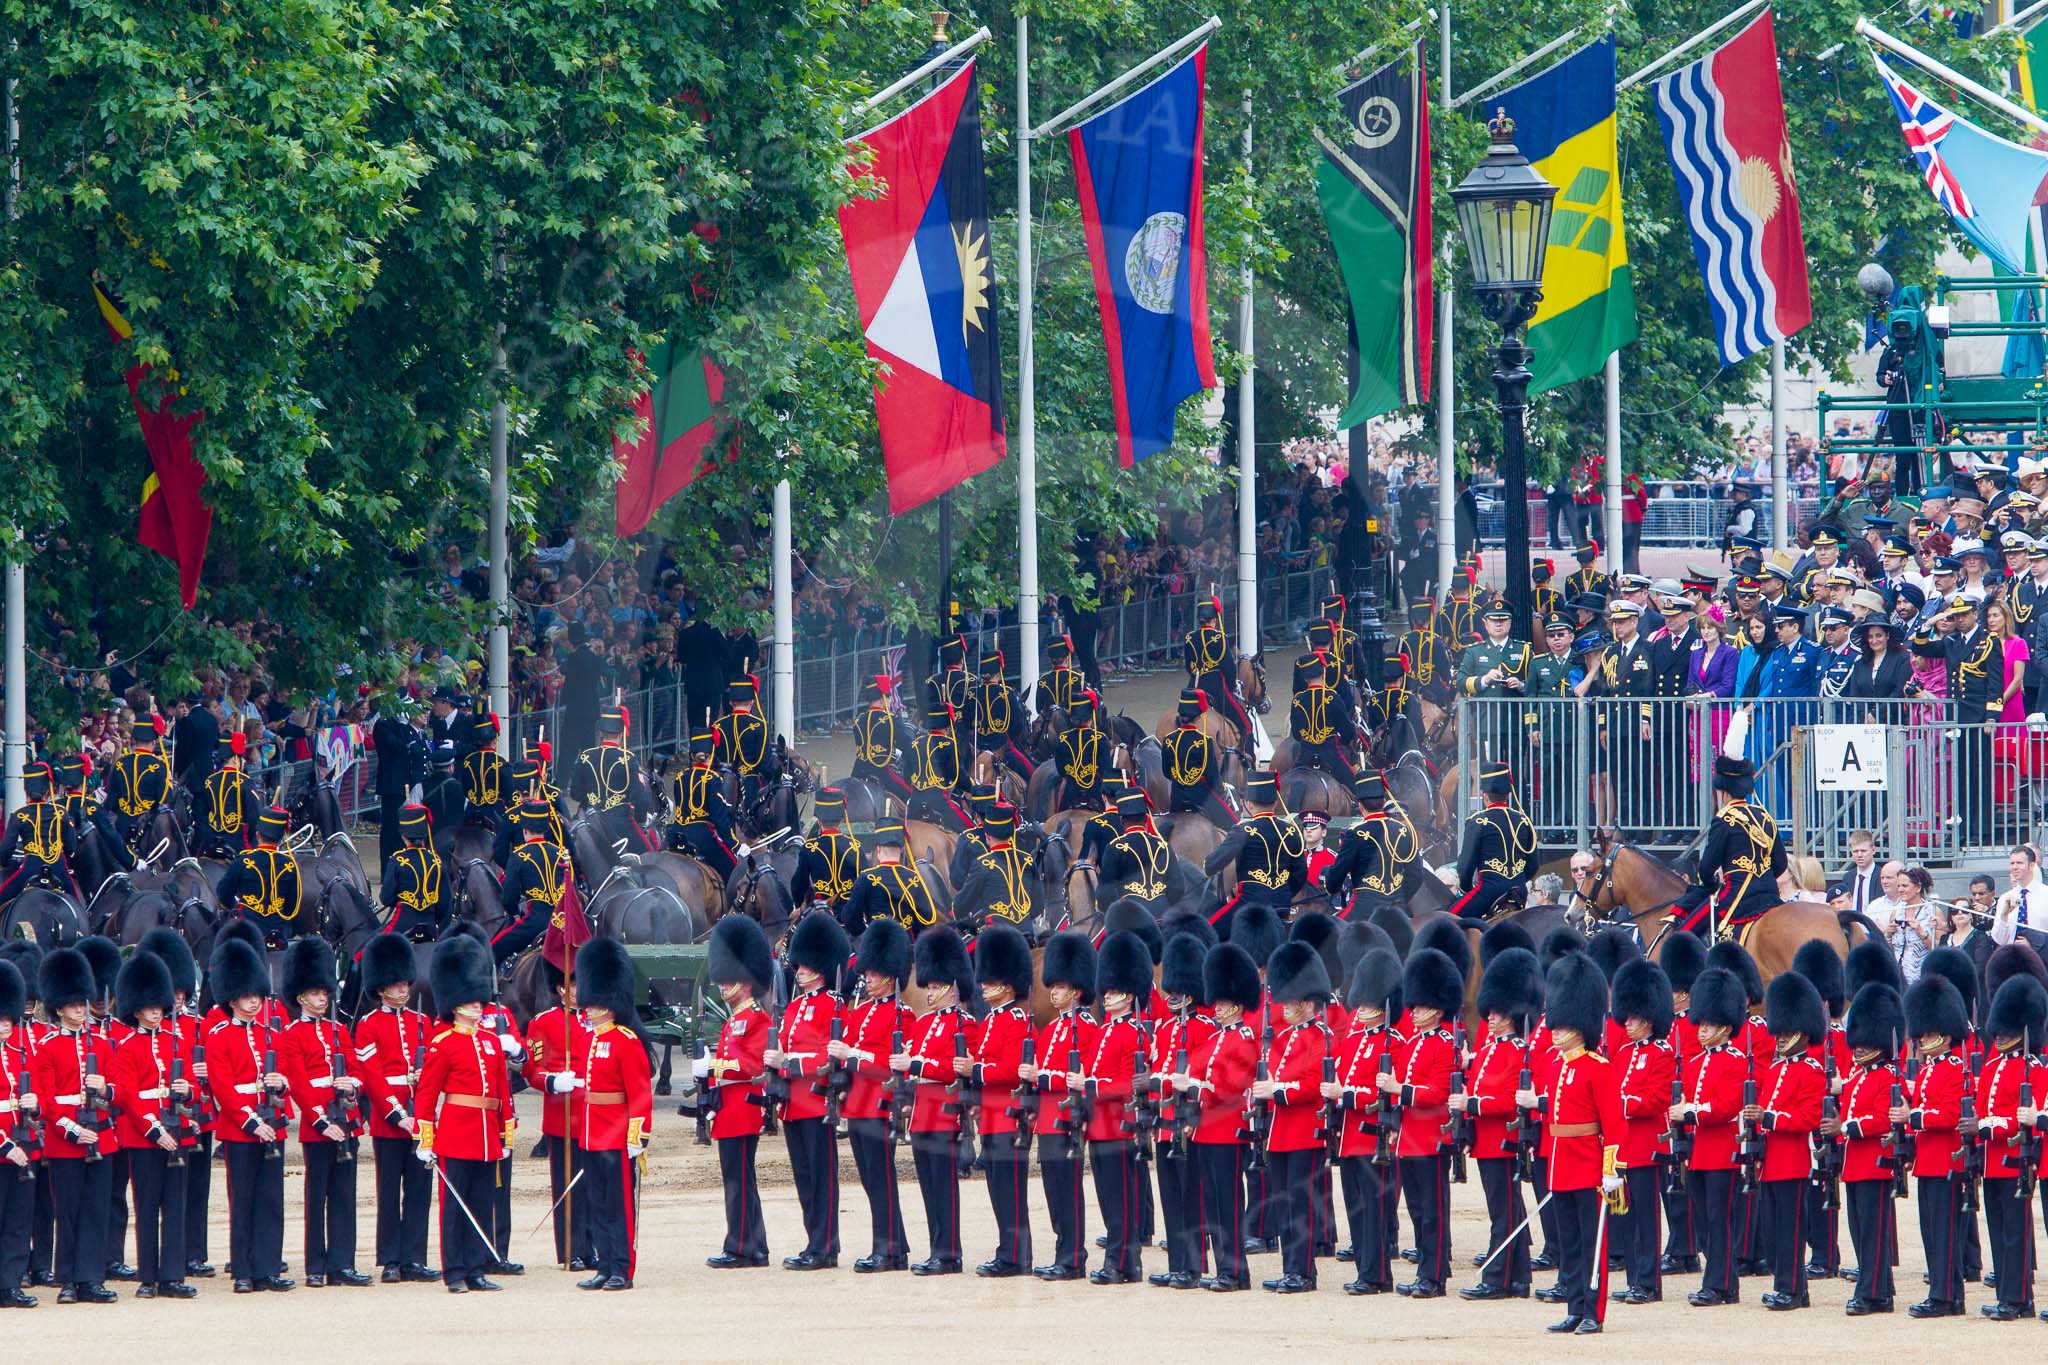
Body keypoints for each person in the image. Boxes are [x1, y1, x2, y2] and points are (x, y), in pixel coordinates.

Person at [413, 934, 510, 1295]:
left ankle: (476, 1268)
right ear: (455, 1004)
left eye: (478, 999)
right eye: (469, 1000)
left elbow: (501, 1093)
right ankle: (454, 1271)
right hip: (456, 1131)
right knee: (454, 1208)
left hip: (486, 1134)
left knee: (482, 1204)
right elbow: (427, 1094)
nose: (476, 1005)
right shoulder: (443, 1043)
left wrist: (505, 1133)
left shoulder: (489, 1041)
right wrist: (425, 1138)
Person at [1532, 954, 1624, 1335]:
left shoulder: (1598, 1067)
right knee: (1569, 1243)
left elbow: (1614, 1125)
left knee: (1592, 1244)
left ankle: (1593, 1310)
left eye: (1563, 1025)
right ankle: (1573, 1305)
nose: (1555, 1031)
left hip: (1588, 1167)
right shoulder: (1556, 1065)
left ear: (1581, 1026)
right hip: (1560, 1164)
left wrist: (1611, 1171)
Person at [563, 937, 654, 1291]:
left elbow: (640, 1093)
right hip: (591, 1133)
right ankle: (604, 1264)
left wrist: (637, 1135)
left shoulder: (626, 1041)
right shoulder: (588, 1040)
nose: (586, 1007)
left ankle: (622, 1267)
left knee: (619, 1206)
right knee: (597, 1204)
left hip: (616, 1135)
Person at [203, 935, 292, 1295]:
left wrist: (281, 1083)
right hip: (240, 1130)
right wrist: (252, 1122)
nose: (254, 1002)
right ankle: (243, 1267)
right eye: (247, 996)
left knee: (271, 1200)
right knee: (244, 1199)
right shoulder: (219, 1036)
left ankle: (268, 1266)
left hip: (273, 1123)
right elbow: (224, 1089)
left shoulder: (272, 1034)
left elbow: (283, 1073)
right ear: (233, 999)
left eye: (257, 995)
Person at [277, 940, 368, 1288]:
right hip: (319, 1127)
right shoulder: (292, 1035)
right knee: (317, 1198)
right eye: (315, 993)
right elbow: (299, 1084)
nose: (322, 999)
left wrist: (352, 1086)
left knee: (345, 1197)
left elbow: (357, 1067)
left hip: (347, 1120)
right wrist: (320, 1121)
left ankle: (342, 1264)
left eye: (324, 993)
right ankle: (316, 1265)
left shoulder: (339, 1030)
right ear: (300, 997)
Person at [108, 950, 194, 1301]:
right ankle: (148, 1276)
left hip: (178, 1131)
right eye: (149, 1007)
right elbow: (129, 1096)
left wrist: (187, 1090)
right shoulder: (127, 1047)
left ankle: (172, 1274)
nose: (156, 1011)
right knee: (147, 1206)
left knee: (175, 1206)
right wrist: (155, 1130)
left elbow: (190, 1084)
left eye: (158, 1005)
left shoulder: (178, 1042)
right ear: (136, 1008)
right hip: (145, 1138)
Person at [1457, 947, 1542, 1302]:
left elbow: (1509, 1101)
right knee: (1507, 1208)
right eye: (1489, 1012)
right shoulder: (1491, 1049)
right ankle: (1519, 1276)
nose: (1490, 1018)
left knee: (1503, 1212)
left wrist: (1472, 1104)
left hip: (1503, 1143)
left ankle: (1498, 1278)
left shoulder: (1516, 1051)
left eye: (1497, 1013)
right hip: (1485, 1141)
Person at [830, 917, 912, 1273]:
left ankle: (889, 1248)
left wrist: (853, 1056)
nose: (868, 978)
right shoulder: (859, 1011)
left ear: (891, 976)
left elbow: (891, 1066)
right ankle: (894, 1244)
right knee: (869, 1179)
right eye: (867, 973)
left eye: (875, 974)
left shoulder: (902, 1016)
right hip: (858, 1107)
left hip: (880, 1107)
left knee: (881, 1178)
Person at [892, 928, 974, 1277]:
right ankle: (936, 1247)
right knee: (927, 1186)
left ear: (951, 986)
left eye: (934, 986)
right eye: (926, 986)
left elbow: (952, 1070)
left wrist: (916, 1065)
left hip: (945, 1114)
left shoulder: (965, 1024)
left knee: (944, 1186)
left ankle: (949, 1252)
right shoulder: (923, 1025)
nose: (928, 992)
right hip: (922, 1114)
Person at [768, 914, 847, 1271]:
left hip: (816, 1101)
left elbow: (827, 1057)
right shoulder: (796, 1007)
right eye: (798, 964)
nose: (798, 970)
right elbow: (786, 1047)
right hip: (792, 1105)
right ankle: (813, 1241)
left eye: (805, 965)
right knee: (803, 1178)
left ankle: (825, 1245)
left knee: (821, 1178)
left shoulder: (834, 1005)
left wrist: (789, 1062)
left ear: (820, 967)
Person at [354, 934, 435, 1283]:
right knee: (389, 1190)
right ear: (381, 987)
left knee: (419, 1191)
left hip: (421, 1115)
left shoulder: (423, 1023)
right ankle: (389, 1257)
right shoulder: (369, 1025)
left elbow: (435, 1065)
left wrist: (424, 1077)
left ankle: (414, 1257)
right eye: (396, 985)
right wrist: (398, 1115)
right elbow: (372, 1077)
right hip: (390, 1121)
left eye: (405, 984)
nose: (403, 991)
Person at [1669, 964, 1747, 1306]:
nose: (1702, 1031)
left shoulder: (1735, 1060)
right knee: (1703, 1220)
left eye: (1710, 1025)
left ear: (1726, 1027)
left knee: (1720, 1220)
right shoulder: (1697, 1062)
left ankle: (1719, 1284)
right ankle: (1722, 1283)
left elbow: (1726, 1107)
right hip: (1700, 1152)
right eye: (1701, 1024)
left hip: (1724, 1153)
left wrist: (1690, 1112)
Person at [1384, 947, 1460, 1298]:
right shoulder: (1414, 1042)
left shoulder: (1445, 1044)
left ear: (1437, 1008)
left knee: (1433, 1210)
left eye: (1420, 1006)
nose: (1413, 1011)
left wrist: (1400, 1089)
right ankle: (1429, 1267)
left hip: (1431, 1137)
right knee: (1416, 1208)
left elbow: (1437, 1094)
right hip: (1409, 1137)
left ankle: (1434, 1276)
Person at [1895, 973, 1970, 1317]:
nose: (1923, 1037)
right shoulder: (1927, 1070)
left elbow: (1949, 1114)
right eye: (1922, 1032)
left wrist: (1913, 1117)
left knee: (1943, 1232)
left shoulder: (1955, 1068)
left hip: (1947, 1161)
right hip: (1929, 1161)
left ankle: (1945, 1295)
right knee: (1931, 1231)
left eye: (1929, 1032)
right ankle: (1945, 1293)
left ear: (1945, 1032)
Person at [1023, 932, 1097, 1281]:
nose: (1052, 992)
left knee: (1068, 1191)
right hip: (1048, 1120)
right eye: (1052, 987)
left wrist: (1040, 1077)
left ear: (1077, 991)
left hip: (1068, 1117)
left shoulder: (1086, 1026)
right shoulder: (1051, 1027)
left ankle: (1073, 1256)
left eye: (1060, 987)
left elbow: (1076, 1075)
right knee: (1053, 1191)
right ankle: (1061, 1250)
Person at [1750, 973, 1825, 1311]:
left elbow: (1808, 1118)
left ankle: (1794, 1288)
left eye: (1786, 1032)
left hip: (1793, 1161)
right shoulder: (1776, 1070)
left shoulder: (1811, 1070)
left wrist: (1767, 1118)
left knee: (1791, 1229)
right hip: (1770, 1161)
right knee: (1772, 1229)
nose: (1779, 1039)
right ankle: (1783, 1282)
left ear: (1803, 1032)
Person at [1974, 973, 2046, 1321]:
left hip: (2015, 1159)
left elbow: (2025, 1117)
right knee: (1998, 1229)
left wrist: (1989, 1127)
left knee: (2016, 1232)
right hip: (1991, 1162)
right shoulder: (1992, 1067)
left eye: (2005, 1029)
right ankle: (2006, 1292)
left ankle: (2018, 1298)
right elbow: (1980, 1108)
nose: (1999, 1035)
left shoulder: (2034, 1069)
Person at [969, 923, 1036, 1279]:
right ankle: (1006, 1250)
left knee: (1011, 1191)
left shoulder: (1019, 1021)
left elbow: (1012, 1070)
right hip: (991, 1119)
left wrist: (976, 1070)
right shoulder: (992, 1021)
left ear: (1007, 985)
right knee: (997, 1190)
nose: (983, 986)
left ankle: (1017, 1254)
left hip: (1010, 1118)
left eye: (990, 981)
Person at [1608, 957, 1676, 1306]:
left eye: (1634, 1018)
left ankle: (1649, 1283)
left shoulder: (1663, 1054)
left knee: (1647, 1219)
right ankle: (1635, 1278)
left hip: (1648, 1148)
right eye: (1628, 1016)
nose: (1628, 1023)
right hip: (1622, 1149)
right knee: (1627, 1216)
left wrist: (1620, 1104)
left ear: (1650, 1018)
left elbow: (1655, 1100)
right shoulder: (1623, 1054)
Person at [519, 949, 592, 1273]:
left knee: (593, 1187)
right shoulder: (543, 1023)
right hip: (563, 1116)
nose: (576, 990)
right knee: (567, 1188)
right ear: (560, 989)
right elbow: (531, 1071)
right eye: (571, 985)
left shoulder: (599, 1021)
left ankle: (593, 1247)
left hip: (594, 1116)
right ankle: (570, 1250)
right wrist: (551, 1081)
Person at [1911, 595, 2003, 845]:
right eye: (1956, 615)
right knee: (1960, 774)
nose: (1960, 620)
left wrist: (1992, 716)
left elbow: (1996, 681)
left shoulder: (1988, 641)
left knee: (1979, 774)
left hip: (1977, 716)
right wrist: (1931, 622)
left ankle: (1980, 829)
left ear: (1975, 615)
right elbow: (1919, 647)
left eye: (1964, 615)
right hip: (1956, 717)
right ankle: (1962, 827)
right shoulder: (1951, 640)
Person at [1673, 752, 1782, 937]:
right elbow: (1780, 863)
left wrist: (1710, 882)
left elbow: (1706, 868)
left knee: (1682, 936)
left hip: (1737, 896)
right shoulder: (1765, 817)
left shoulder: (1723, 818)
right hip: (1770, 895)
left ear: (1723, 789)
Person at [1202, 773, 1305, 939]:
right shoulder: (1292, 831)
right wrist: (1281, 892)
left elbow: (1211, 866)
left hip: (1249, 903)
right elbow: (1300, 874)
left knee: (1206, 933)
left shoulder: (1243, 831)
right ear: (1275, 802)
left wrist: (1206, 864)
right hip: (1282, 905)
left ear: (1249, 804)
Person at [491, 798, 574, 967]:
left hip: (536, 924)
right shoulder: (562, 853)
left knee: (493, 948)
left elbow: (509, 899)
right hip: (567, 924)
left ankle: (496, 991)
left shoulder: (518, 856)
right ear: (545, 828)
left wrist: (515, 912)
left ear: (525, 829)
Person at [1449, 762, 1534, 921]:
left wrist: (1467, 889)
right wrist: (1516, 880)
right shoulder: (1523, 821)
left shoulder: (1478, 822)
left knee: (1450, 918)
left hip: (1489, 891)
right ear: (1508, 795)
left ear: (1485, 796)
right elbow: (1533, 865)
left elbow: (1465, 866)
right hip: (1519, 892)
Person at [567, 704, 656, 847]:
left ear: (601, 733)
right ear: (621, 733)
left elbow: (575, 794)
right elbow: (641, 799)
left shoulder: (585, 756)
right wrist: (640, 820)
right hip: (621, 824)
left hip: (592, 823)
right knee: (651, 856)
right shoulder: (628, 758)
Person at [215, 807, 301, 943]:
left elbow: (224, 898)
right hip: (278, 936)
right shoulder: (289, 865)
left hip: (247, 934)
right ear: (280, 839)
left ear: (257, 835)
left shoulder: (242, 861)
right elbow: (291, 910)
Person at [0, 761, 79, 908]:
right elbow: (71, 848)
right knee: (79, 908)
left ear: (26, 791)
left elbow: (6, 850)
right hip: (59, 868)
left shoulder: (19, 815)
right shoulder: (61, 812)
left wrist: (5, 863)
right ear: (47, 791)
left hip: (30, 869)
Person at [842, 820, 940, 934]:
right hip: (905, 945)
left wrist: (865, 933)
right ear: (901, 850)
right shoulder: (914, 878)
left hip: (875, 944)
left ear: (878, 849)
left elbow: (849, 917)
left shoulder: (866, 878)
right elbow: (927, 918)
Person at [1162, 689, 1237, 827]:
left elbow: (1166, 772)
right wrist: (1222, 789)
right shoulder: (1204, 741)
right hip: (1201, 797)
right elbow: (1212, 776)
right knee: (1233, 824)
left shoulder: (1168, 740)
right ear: (1198, 716)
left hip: (1176, 798)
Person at [667, 732, 737, 877]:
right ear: (711, 755)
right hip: (702, 837)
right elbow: (720, 821)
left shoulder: (680, 777)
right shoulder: (714, 779)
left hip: (676, 834)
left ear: (692, 756)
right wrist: (735, 845)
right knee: (734, 870)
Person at [379, 804, 446, 941]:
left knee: (364, 951)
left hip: (402, 926)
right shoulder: (437, 861)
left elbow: (386, 898)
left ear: (403, 836)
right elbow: (444, 905)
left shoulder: (397, 860)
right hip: (431, 928)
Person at [789, 789, 861, 915]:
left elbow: (799, 884)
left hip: (819, 914)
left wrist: (800, 906)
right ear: (841, 819)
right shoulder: (855, 846)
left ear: (818, 820)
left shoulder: (809, 848)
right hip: (850, 915)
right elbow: (863, 883)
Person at [907, 702, 971, 832]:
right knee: (970, 832)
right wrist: (973, 787)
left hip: (914, 804)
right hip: (939, 803)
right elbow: (958, 776)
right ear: (947, 728)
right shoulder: (948, 744)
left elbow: (906, 775)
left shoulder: (915, 743)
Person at [195, 733, 259, 860]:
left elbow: (201, 814)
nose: (244, 761)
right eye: (242, 758)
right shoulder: (245, 781)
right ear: (235, 759)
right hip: (238, 842)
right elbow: (254, 816)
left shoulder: (209, 781)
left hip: (210, 840)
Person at [1992, 844, 2048, 948]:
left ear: (2031, 866)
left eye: (2019, 863)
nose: (2015, 867)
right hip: (2013, 958)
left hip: (2041, 959)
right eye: (2012, 863)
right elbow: (1999, 939)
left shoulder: (2045, 895)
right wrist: (2003, 916)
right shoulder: (2006, 898)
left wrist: (2034, 945)